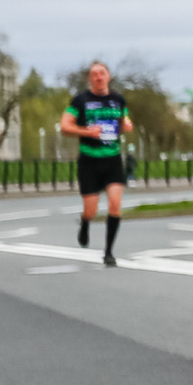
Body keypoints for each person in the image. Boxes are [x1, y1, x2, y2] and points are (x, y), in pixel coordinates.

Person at [59, 61, 134, 267]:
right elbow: (65, 126)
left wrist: (126, 125)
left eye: (102, 73)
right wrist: (86, 131)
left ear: (108, 76)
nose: (99, 77)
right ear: (90, 79)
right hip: (89, 161)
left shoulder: (118, 100)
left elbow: (124, 122)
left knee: (115, 205)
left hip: (112, 159)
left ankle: (108, 252)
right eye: (94, 74)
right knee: (91, 209)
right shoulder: (80, 101)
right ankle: (85, 221)